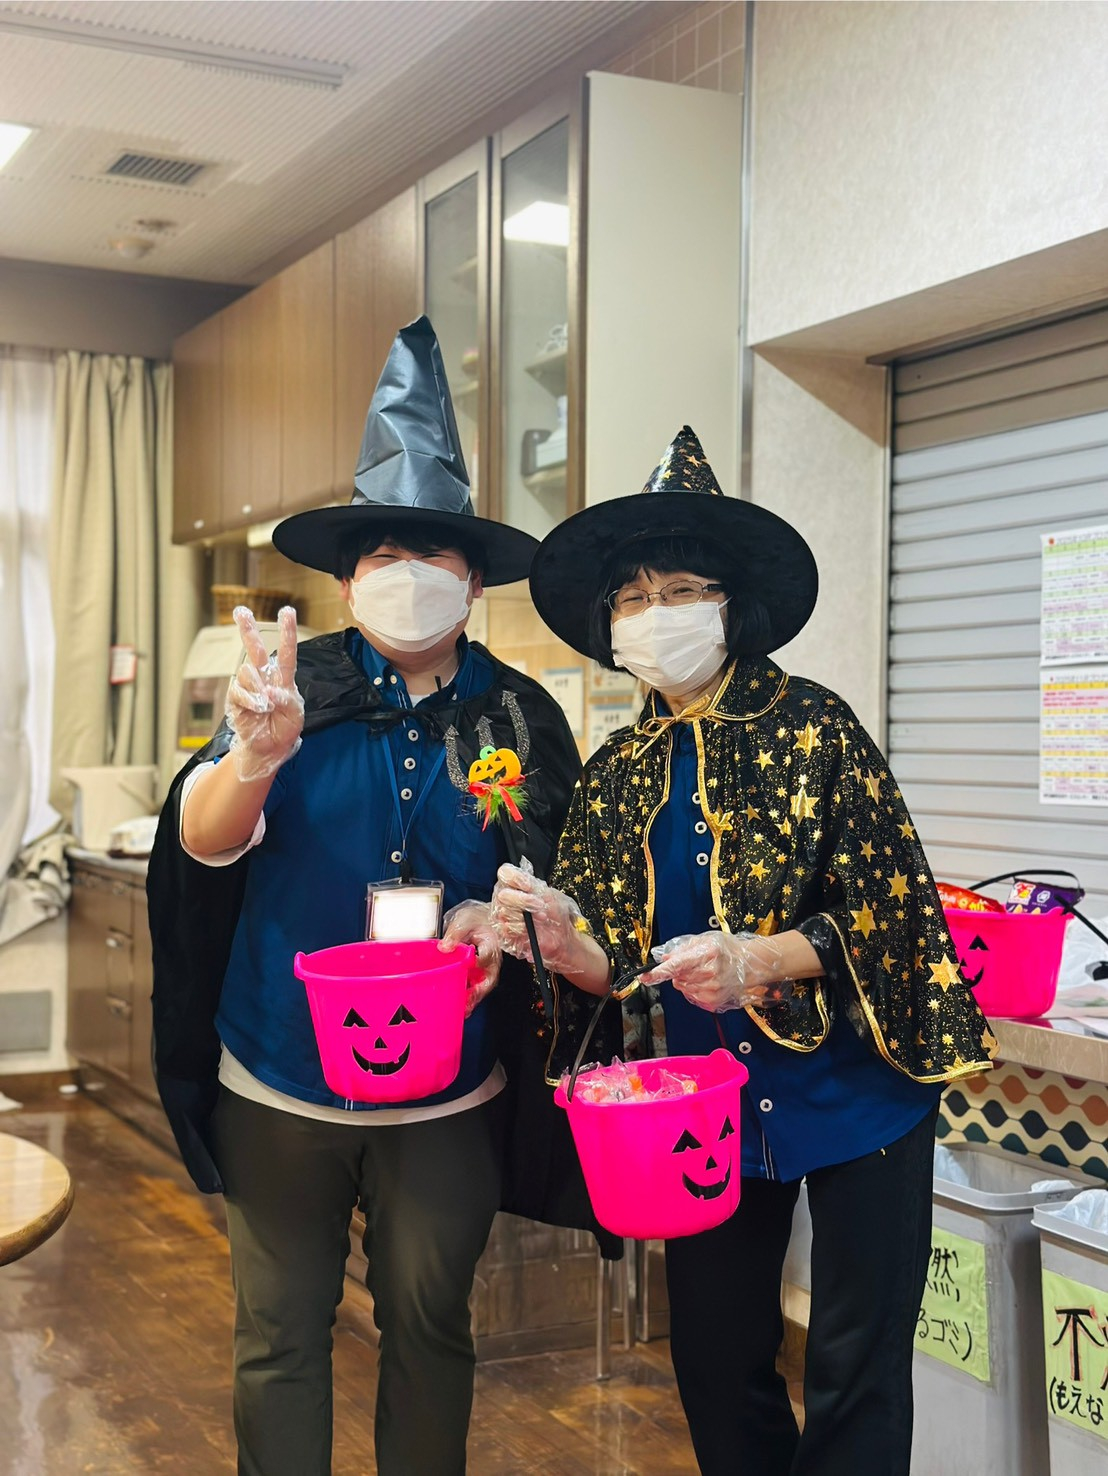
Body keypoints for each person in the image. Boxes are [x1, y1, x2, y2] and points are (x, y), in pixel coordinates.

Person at [487, 426, 999, 1476]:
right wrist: (564, 944)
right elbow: (616, 962)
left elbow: (898, 914)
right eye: (633, 598)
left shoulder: (815, 728)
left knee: (855, 1368)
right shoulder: (617, 768)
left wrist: (760, 960)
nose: (654, 612)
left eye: (680, 589)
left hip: (860, 1091)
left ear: (729, 605)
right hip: (704, 1109)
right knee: (717, 1362)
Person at [146, 317, 595, 1476]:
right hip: (278, 1077)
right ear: (346, 579)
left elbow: (560, 881)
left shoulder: (518, 713)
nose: (406, 576)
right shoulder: (289, 687)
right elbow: (201, 844)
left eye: (432, 554)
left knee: (432, 1332)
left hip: (447, 1090)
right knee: (278, 1339)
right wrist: (254, 759)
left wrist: (494, 920)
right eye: (381, 556)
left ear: (473, 579)